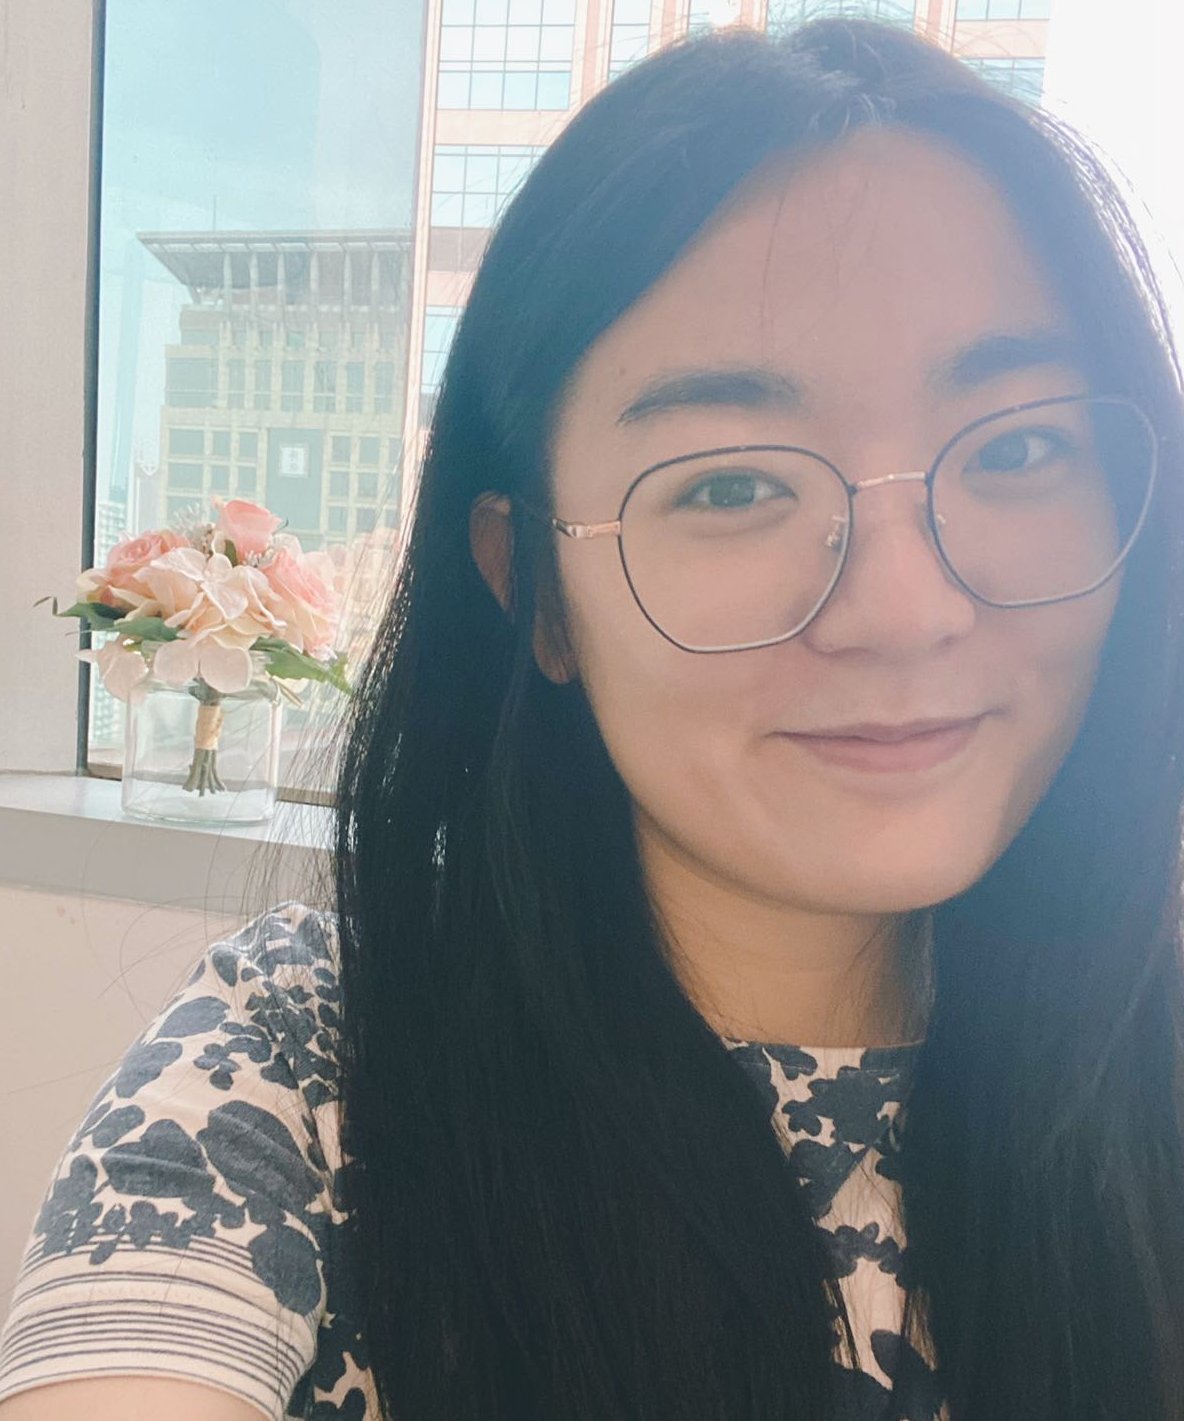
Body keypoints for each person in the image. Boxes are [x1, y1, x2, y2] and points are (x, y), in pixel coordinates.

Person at [3, 14, 1184, 1421]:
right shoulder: (315, 1061)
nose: (905, 609)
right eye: (732, 484)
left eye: (1021, 446)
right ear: (535, 593)